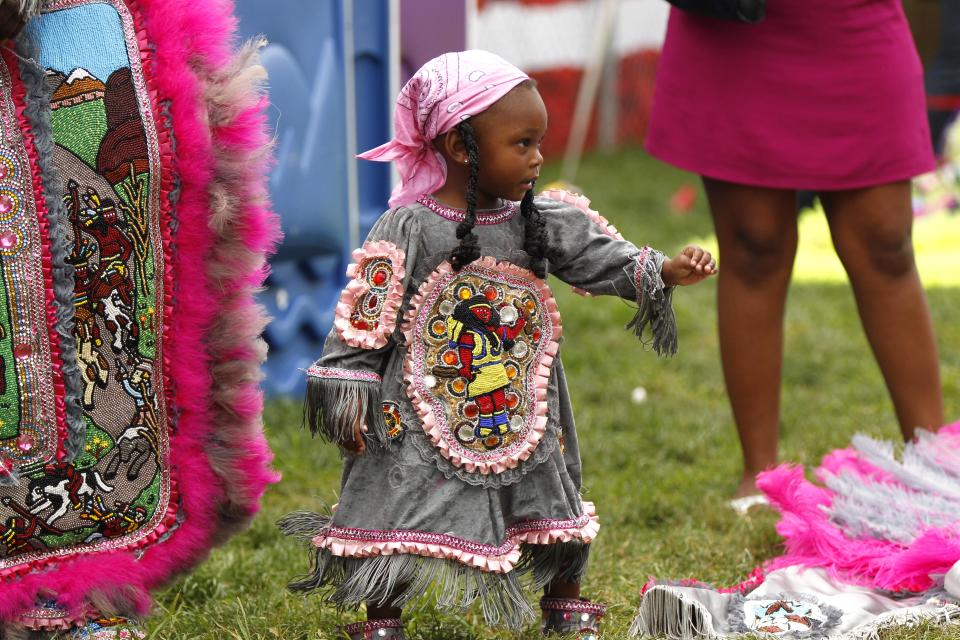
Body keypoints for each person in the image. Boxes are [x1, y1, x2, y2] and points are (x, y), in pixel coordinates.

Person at [279, 49, 716, 639]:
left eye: (540, 142)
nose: (538, 158)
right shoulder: (409, 226)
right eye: (523, 143)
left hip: (520, 405)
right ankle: (382, 617)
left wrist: (664, 270)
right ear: (462, 148)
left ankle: (565, 604)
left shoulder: (535, 218)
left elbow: (596, 256)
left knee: (549, 493)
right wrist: (348, 387)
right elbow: (366, 312)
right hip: (418, 403)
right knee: (395, 496)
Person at [646, 1, 945, 504]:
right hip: (739, 27)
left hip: (853, 20)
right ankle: (761, 477)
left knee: (885, 245)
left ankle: (935, 462)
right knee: (753, 246)